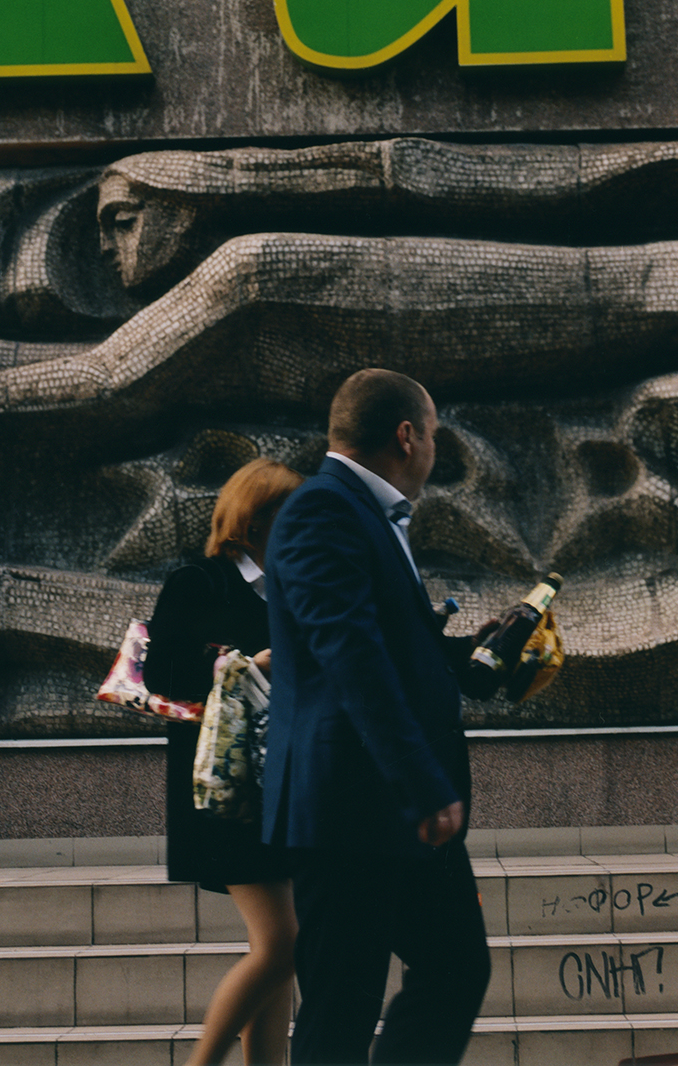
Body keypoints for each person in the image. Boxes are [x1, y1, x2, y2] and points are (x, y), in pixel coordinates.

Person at [263, 368, 492, 1066]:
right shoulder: (321, 510)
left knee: (455, 966)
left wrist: (473, 657)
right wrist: (422, 784)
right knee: (341, 1006)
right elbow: (347, 654)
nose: (433, 451)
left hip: (391, 808)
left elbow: (386, 647)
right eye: (432, 435)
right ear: (406, 435)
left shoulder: (365, 515)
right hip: (355, 809)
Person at [143, 456, 303, 1066]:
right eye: (293, 515)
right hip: (223, 791)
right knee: (284, 943)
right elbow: (162, 675)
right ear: (258, 519)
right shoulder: (199, 583)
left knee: (277, 949)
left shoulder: (286, 588)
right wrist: (246, 666)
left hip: (277, 785)